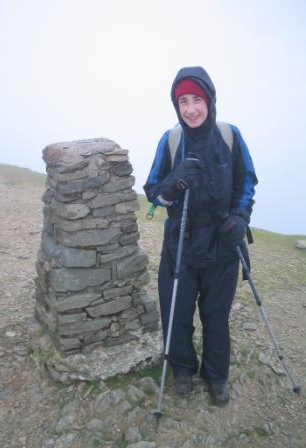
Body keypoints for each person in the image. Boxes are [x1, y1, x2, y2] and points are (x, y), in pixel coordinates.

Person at [144, 66, 258, 405]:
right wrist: (173, 181)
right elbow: (154, 193)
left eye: (197, 99)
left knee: (215, 315)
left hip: (223, 243)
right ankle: (181, 368)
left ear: (209, 100)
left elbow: (246, 180)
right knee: (176, 311)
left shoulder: (229, 136)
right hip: (180, 242)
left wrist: (240, 217)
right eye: (183, 102)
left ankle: (216, 375)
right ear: (176, 106)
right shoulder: (171, 140)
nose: (190, 109)